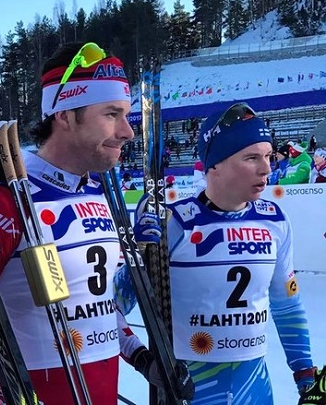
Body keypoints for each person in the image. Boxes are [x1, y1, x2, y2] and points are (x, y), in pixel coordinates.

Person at [0, 42, 194, 405]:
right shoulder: (4, 203)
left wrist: (142, 358)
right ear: (65, 115)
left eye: (126, 115)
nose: (127, 131)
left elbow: (99, 303)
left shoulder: (98, 192)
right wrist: (1, 399)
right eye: (111, 114)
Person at [134, 103, 320, 404]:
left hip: (255, 391)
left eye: (268, 156)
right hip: (190, 390)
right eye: (251, 157)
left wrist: (305, 375)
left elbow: (287, 304)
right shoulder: (175, 222)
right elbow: (117, 301)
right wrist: (142, 359)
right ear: (214, 165)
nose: (266, 168)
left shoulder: (274, 220)